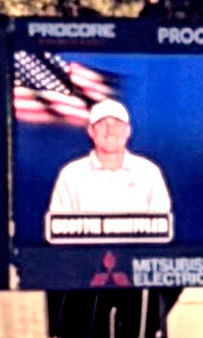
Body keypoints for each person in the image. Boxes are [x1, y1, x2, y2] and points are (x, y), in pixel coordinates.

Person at [45, 97, 175, 243]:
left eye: (117, 124)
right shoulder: (70, 175)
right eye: (102, 124)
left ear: (128, 131)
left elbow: (161, 234)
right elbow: (58, 234)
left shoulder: (149, 173)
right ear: (91, 131)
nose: (110, 131)